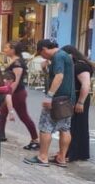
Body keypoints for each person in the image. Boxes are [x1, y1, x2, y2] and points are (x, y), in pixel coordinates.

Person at [24, 39, 74, 167]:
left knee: (45, 127)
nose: (42, 57)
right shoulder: (64, 55)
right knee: (65, 128)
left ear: (44, 49)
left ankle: (43, 157)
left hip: (56, 98)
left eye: (41, 54)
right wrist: (46, 69)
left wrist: (49, 96)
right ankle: (61, 158)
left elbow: (59, 76)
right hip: (68, 99)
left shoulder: (58, 57)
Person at [0, 41, 39, 149]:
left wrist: (8, 94)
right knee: (1, 113)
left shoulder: (17, 63)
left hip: (17, 94)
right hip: (10, 92)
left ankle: (35, 139)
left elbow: (15, 81)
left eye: (7, 47)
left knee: (23, 116)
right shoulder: (12, 60)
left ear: (13, 50)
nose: (4, 49)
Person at [62, 45, 92, 162]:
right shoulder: (75, 65)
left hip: (80, 98)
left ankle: (74, 153)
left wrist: (80, 102)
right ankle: (78, 153)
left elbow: (86, 85)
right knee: (75, 125)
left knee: (77, 126)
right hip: (76, 97)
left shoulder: (81, 66)